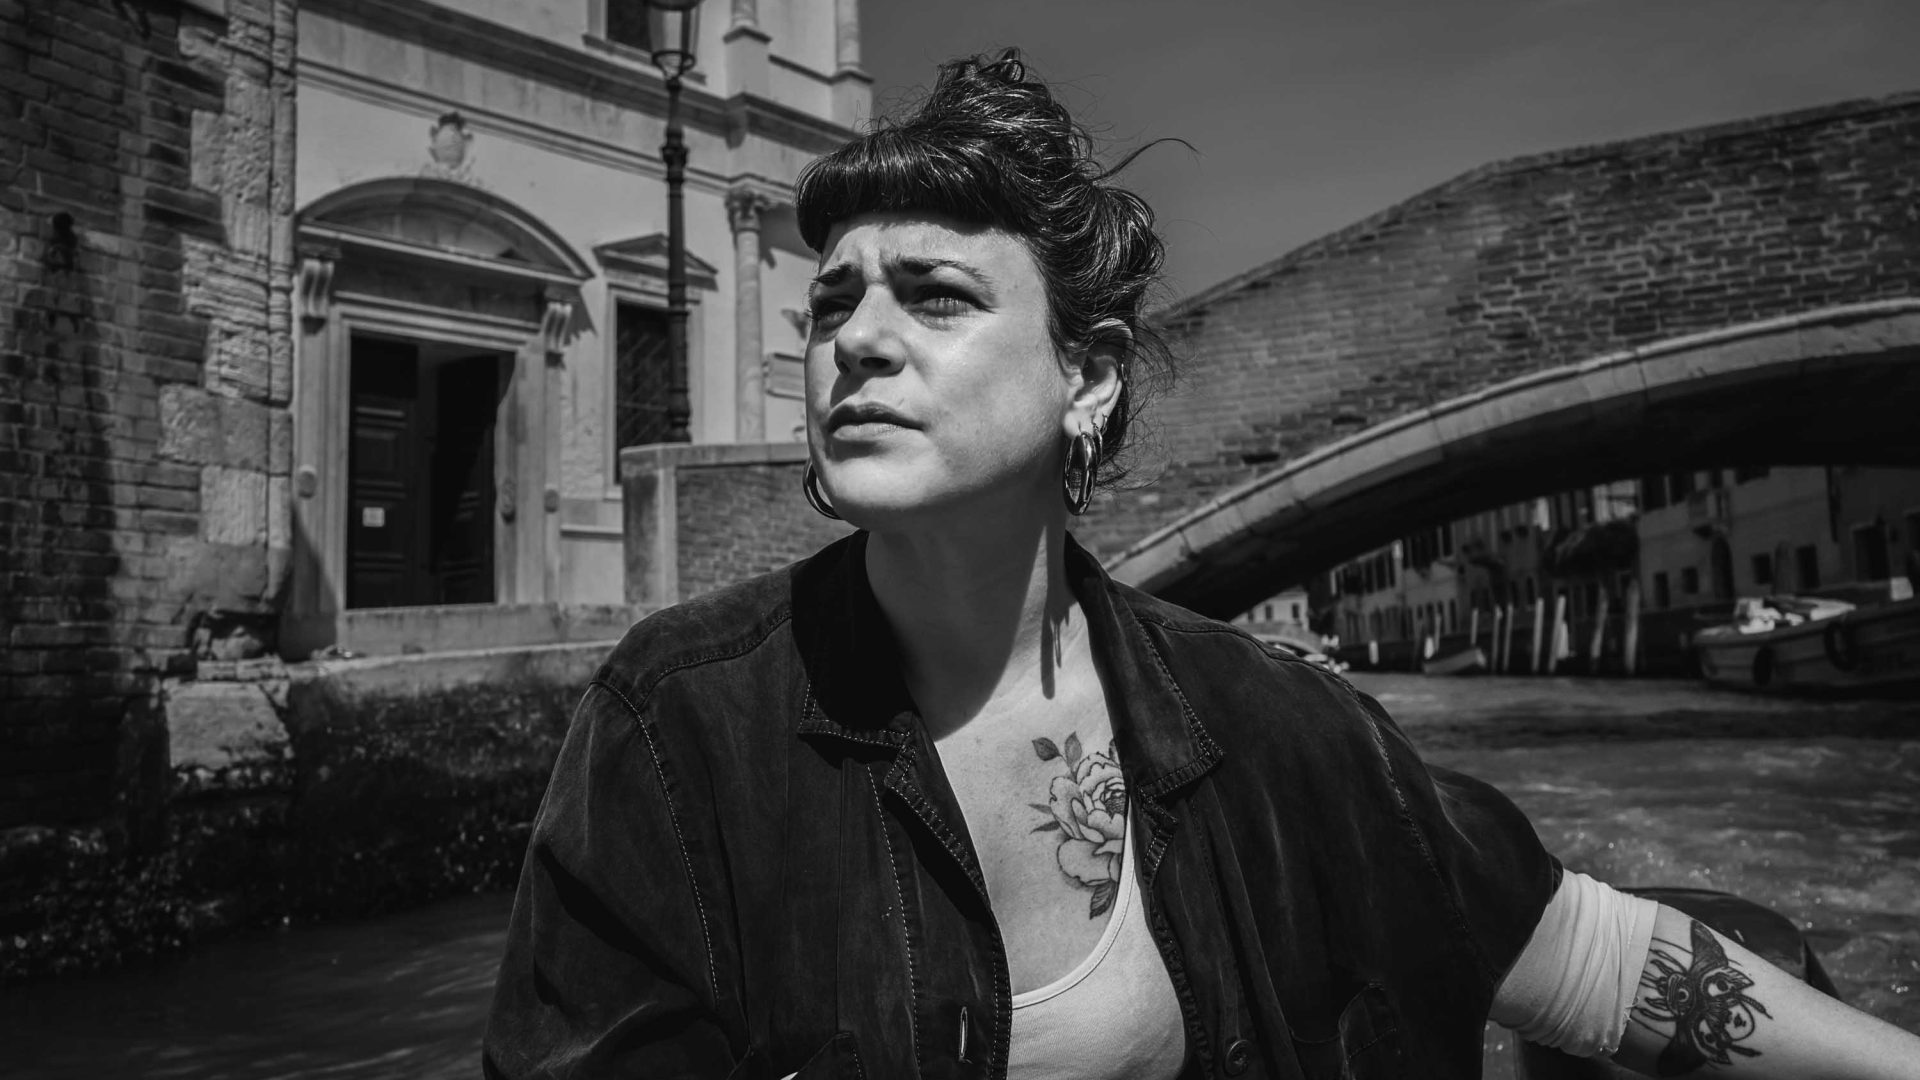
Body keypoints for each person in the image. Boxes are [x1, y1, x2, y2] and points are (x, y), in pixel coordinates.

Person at [483, 51, 1920, 1079]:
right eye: (833, 304)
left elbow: (1592, 964)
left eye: (934, 296)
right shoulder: (672, 734)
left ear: (1087, 381)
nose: (853, 340)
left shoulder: (1277, 726)